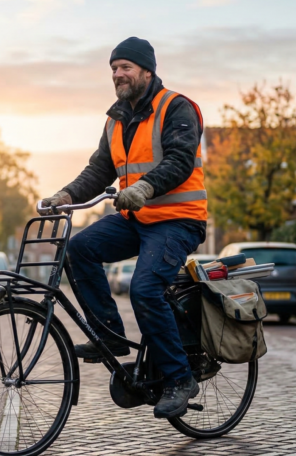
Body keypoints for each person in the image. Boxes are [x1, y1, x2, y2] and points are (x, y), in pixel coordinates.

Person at [40, 36, 207, 419]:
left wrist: (145, 187)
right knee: (79, 248)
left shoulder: (177, 107)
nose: (117, 74)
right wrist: (65, 195)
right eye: (114, 68)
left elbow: (181, 159)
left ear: (147, 71)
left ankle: (180, 378)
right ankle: (109, 338)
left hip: (178, 221)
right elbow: (100, 169)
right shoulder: (116, 119)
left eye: (125, 67)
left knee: (145, 288)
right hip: (137, 219)